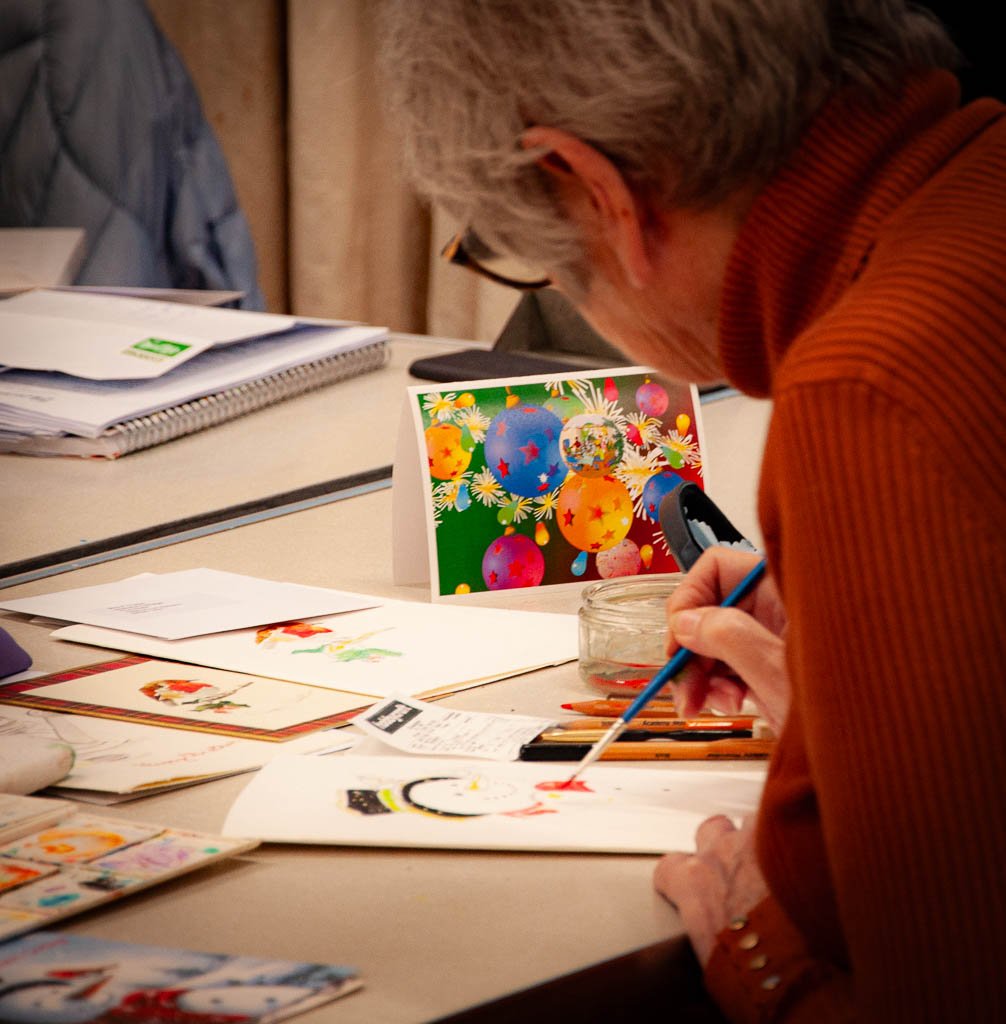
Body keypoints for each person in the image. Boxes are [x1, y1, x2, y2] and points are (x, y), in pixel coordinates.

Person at [378, 1, 1006, 1020]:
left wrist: (765, 966)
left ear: (599, 192)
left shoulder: (868, 382)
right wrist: (870, 643)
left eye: (548, 258)